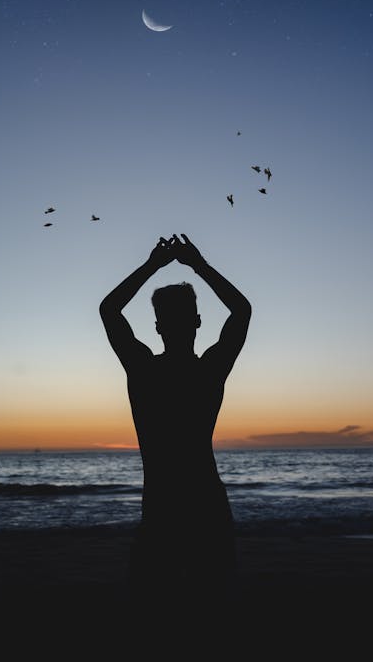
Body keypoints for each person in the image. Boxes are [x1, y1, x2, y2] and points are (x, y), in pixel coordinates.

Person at [99, 234, 251, 612]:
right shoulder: (210, 370)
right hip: (206, 503)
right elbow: (241, 311)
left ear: (157, 327)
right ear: (198, 322)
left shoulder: (144, 370)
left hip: (162, 504)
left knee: (156, 609)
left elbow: (109, 310)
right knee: (213, 604)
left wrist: (153, 265)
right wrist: (197, 264)